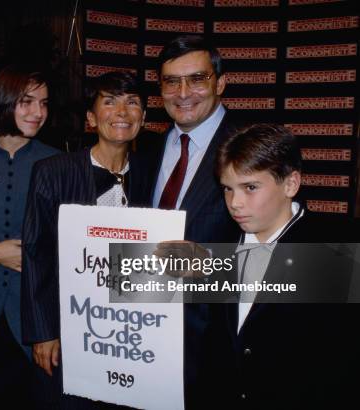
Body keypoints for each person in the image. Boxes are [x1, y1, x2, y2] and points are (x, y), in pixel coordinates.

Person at [201, 123, 359, 410]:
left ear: (290, 184)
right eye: (227, 189)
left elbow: (344, 360)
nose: (235, 203)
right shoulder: (221, 242)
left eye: (250, 187)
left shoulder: (337, 250)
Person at [22, 71, 155, 408]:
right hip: (68, 334)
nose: (122, 112)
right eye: (109, 102)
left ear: (145, 117)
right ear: (92, 118)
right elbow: (36, 254)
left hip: (131, 336)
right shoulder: (53, 171)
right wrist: (43, 331)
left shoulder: (153, 175)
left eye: (132, 103)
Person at [144, 35, 241, 406]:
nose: (183, 92)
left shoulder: (251, 145)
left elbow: (284, 256)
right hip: (143, 339)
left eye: (197, 79)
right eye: (171, 81)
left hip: (214, 351)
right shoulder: (147, 150)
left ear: (219, 83)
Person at [0, 65, 59, 407]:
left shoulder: (58, 163)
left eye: (44, 103)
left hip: (34, 322)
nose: (38, 112)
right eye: (27, 101)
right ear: (4, 102)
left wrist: (54, 329)